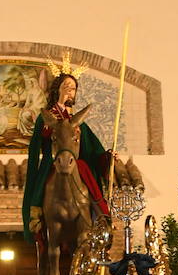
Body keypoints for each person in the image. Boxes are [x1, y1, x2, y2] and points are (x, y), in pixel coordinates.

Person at [21, 71, 111, 245]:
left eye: (73, 88)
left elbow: (92, 145)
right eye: (66, 87)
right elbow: (41, 137)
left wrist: (107, 156)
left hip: (75, 162)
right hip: (53, 160)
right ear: (58, 90)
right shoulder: (47, 115)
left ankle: (100, 214)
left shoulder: (76, 120)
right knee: (44, 181)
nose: (70, 91)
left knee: (84, 169)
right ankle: (37, 213)